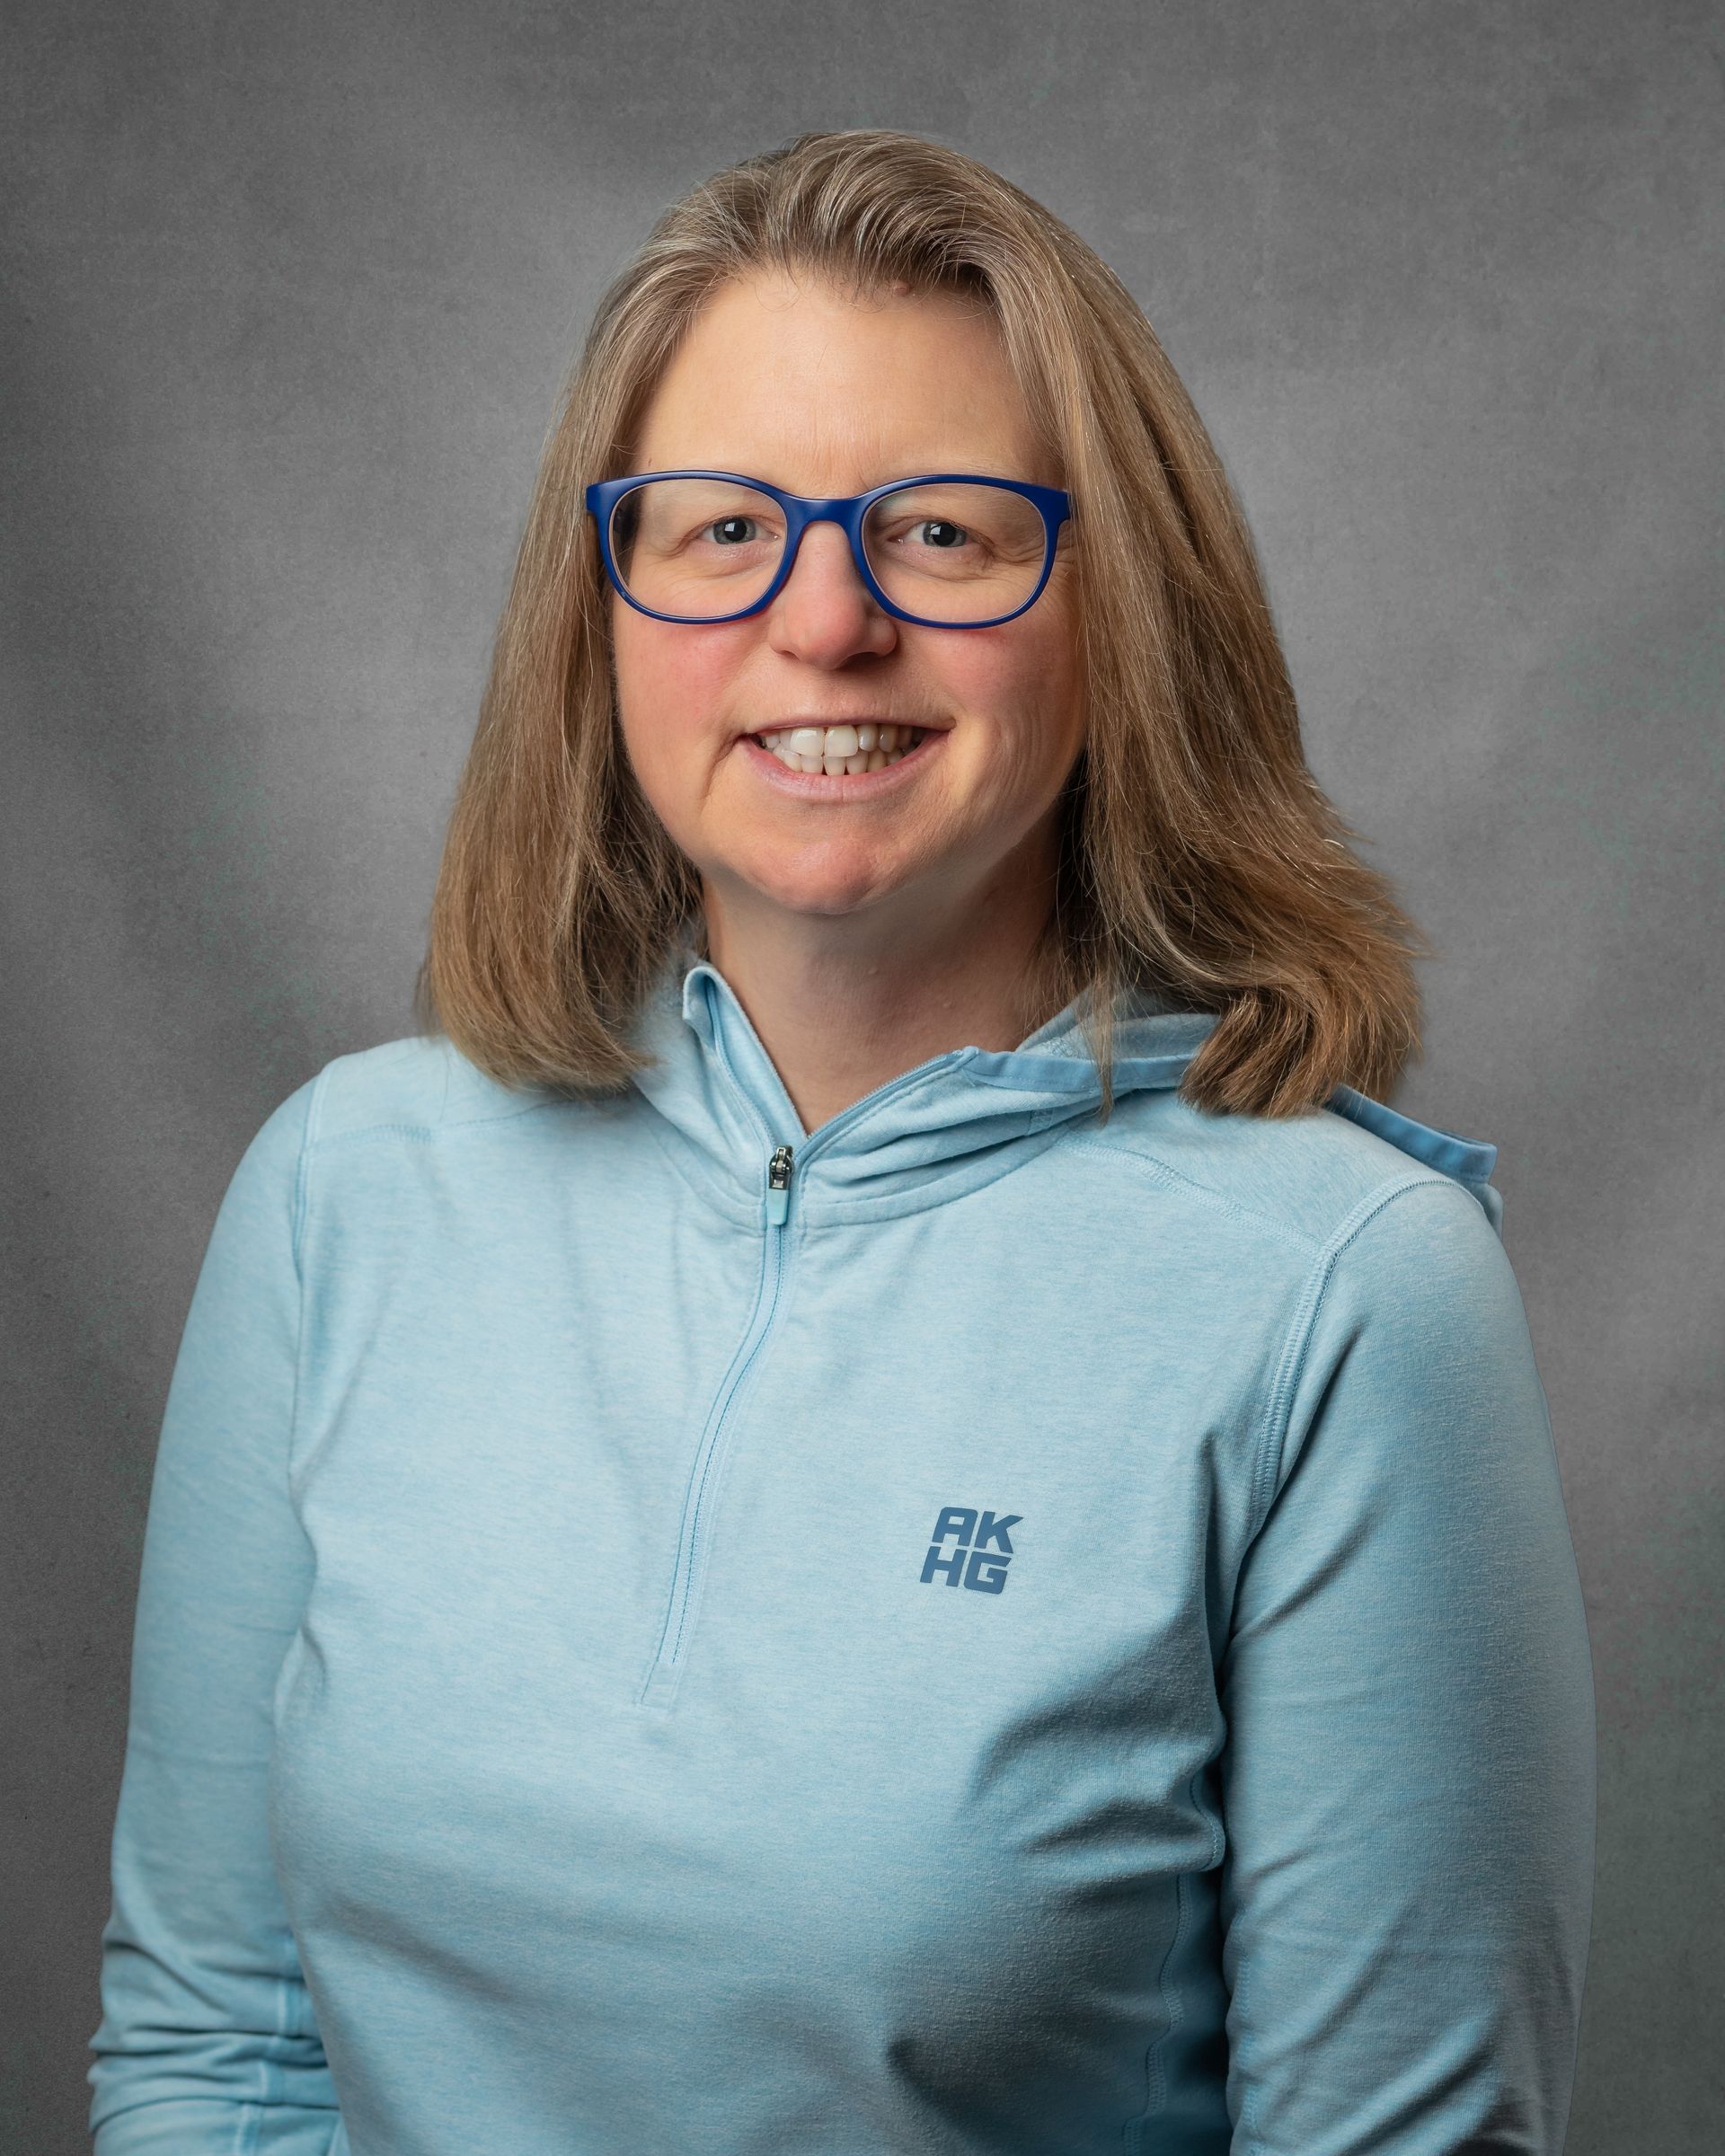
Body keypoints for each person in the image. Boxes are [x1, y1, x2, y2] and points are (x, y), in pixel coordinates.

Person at [86, 129, 1597, 2155]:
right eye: (721, 531)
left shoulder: (1349, 1289)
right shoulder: (342, 1195)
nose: (825, 623)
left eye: (949, 535)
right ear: (602, 606)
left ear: (1112, 611)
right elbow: (220, 2054)